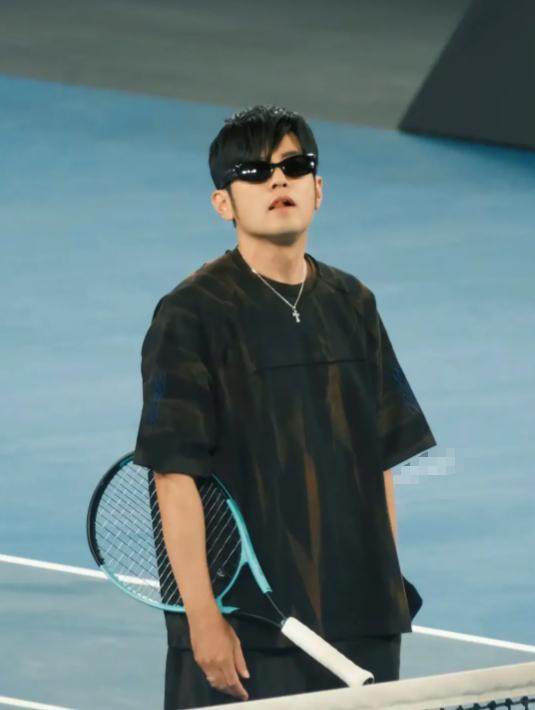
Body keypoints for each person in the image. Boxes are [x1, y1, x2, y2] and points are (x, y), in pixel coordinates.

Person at [133, 104, 437, 709]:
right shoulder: (191, 314)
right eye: (253, 171)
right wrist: (201, 618)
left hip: (360, 620)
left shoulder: (353, 303)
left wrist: (384, 586)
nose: (277, 180)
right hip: (247, 627)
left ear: (318, 189)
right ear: (223, 203)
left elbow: (378, 458)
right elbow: (173, 474)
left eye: (294, 166)